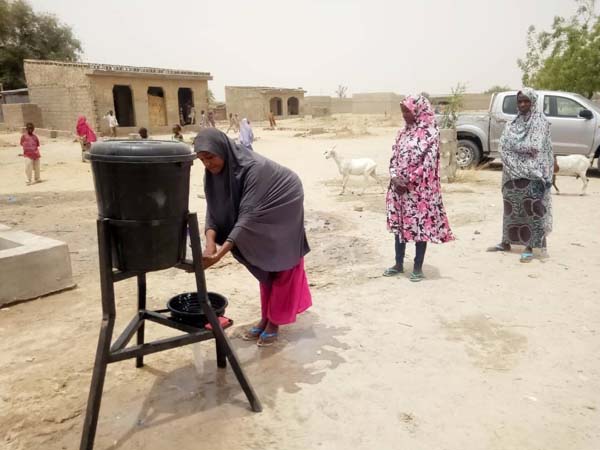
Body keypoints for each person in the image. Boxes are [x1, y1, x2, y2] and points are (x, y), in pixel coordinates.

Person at [194, 128, 312, 347]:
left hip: (284, 201)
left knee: (281, 262)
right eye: (202, 160)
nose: (207, 164)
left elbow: (247, 215)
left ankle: (274, 321)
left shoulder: (253, 169)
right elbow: (213, 209)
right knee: (263, 264)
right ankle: (266, 316)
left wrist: (220, 254)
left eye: (210, 157)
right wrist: (210, 244)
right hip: (255, 207)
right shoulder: (212, 173)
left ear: (223, 149)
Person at [383, 95, 454, 282]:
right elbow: (393, 158)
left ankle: (417, 267)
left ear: (418, 110)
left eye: (407, 111)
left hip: (419, 191)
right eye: (403, 112)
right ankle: (398, 264)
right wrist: (394, 177)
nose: (404, 115)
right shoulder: (402, 133)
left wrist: (408, 180)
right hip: (399, 189)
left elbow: (428, 164)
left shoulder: (431, 133)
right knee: (400, 226)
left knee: (419, 227)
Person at [487, 88, 553, 263]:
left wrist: (513, 146)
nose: (523, 104)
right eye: (520, 101)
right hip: (511, 173)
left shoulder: (540, 122)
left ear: (533, 102)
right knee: (511, 207)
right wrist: (514, 148)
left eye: (526, 101)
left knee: (533, 207)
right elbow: (502, 146)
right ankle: (506, 242)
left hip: (534, 172)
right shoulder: (513, 123)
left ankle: (531, 246)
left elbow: (534, 146)